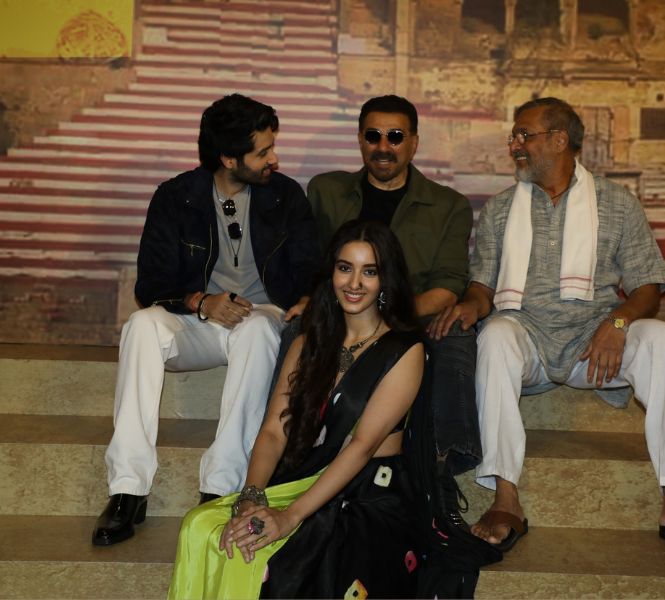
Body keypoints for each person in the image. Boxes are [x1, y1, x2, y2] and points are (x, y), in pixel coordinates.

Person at [429, 97, 665, 551]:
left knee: (663, 338)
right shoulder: (500, 208)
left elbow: (648, 286)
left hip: (594, 346)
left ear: (559, 140)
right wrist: (472, 304)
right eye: (513, 136)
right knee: (494, 335)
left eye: (524, 135)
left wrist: (618, 321)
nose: (514, 145)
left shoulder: (617, 203)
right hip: (526, 338)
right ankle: (505, 499)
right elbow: (483, 285)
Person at [92, 93, 319, 546]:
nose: (273, 159)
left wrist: (309, 300)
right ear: (229, 158)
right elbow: (150, 284)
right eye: (263, 152)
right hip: (196, 319)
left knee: (258, 328)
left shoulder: (286, 196)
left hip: (260, 318)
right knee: (141, 326)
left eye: (272, 148)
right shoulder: (176, 197)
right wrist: (200, 302)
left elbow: (311, 270)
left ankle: (221, 485)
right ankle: (127, 489)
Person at [168, 220, 425, 599]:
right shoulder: (308, 343)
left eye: (369, 271)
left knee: (272, 555)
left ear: (386, 279)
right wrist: (252, 496)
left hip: (367, 492)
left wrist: (289, 517)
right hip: (303, 476)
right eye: (345, 268)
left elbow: (361, 447)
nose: (354, 283)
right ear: (331, 273)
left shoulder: (403, 351)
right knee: (200, 525)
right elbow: (274, 430)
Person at [307, 95, 480, 501]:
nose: (383, 146)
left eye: (396, 136)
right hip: (342, 312)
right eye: (373, 136)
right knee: (293, 330)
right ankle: (292, 446)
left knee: (456, 334)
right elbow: (313, 267)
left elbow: (447, 286)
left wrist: (387, 317)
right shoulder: (326, 191)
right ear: (360, 140)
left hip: (412, 317)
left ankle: (443, 465)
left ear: (414, 143)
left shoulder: (448, 205)